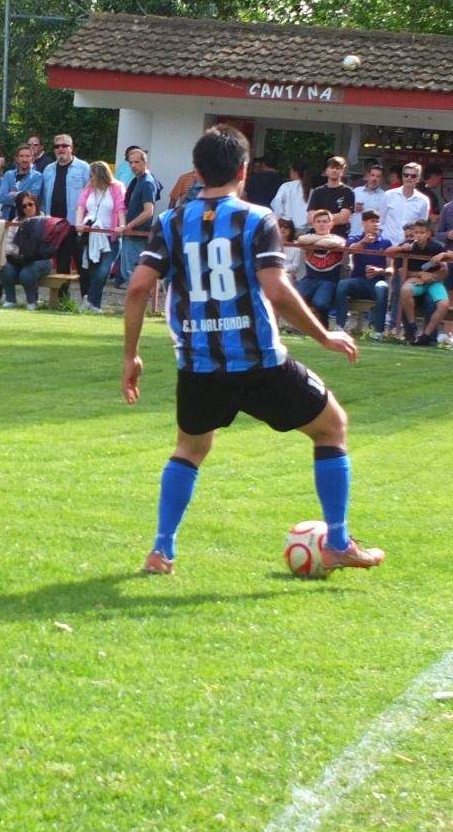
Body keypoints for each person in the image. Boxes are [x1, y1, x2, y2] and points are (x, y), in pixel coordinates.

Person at [121, 125, 384, 576]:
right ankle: (338, 542)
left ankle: (161, 551)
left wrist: (132, 355)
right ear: (243, 170)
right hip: (261, 363)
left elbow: (139, 287)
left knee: (189, 448)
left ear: (198, 172)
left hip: (199, 365)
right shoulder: (257, 219)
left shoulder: (170, 221)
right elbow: (277, 291)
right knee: (332, 427)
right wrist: (324, 337)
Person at [387, 221, 453, 345]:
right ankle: (412, 326)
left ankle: (426, 336)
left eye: (422, 233)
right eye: (416, 232)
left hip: (434, 281)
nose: (418, 235)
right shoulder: (408, 246)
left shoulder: (436, 246)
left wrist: (443, 255)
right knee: (405, 290)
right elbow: (388, 252)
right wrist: (419, 274)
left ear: (428, 234)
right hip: (416, 280)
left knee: (444, 304)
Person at [333, 210, 393, 338]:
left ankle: (378, 331)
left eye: (377, 221)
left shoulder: (385, 242)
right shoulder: (354, 239)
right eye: (372, 221)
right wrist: (363, 242)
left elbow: (391, 269)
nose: (376, 224)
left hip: (376, 282)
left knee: (382, 288)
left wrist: (380, 271)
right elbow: (348, 251)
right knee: (342, 284)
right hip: (358, 281)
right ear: (364, 223)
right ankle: (340, 326)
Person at [76, 160, 126, 311]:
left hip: (110, 238)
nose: (90, 179)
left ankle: (90, 302)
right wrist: (79, 224)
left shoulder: (116, 188)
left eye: (92, 176)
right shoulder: (89, 188)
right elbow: (81, 206)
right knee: (91, 271)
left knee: (103, 271)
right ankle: (94, 305)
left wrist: (121, 225)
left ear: (100, 176)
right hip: (91, 236)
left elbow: (120, 208)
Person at [40, 133, 90, 272]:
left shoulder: (84, 168)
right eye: (57, 146)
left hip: (76, 223)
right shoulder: (48, 169)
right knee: (62, 261)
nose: (60, 149)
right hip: (56, 224)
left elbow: (90, 195)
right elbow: (43, 197)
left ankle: (86, 294)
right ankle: (62, 294)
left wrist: (86, 220)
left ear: (71, 148)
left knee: (81, 261)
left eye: (64, 146)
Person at [0, 193, 57, 308]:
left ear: (36, 203)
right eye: (24, 206)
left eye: (30, 204)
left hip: (41, 260)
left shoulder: (47, 220)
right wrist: (18, 252)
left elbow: (50, 246)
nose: (28, 208)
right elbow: (8, 244)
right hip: (19, 258)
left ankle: (31, 302)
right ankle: (10, 300)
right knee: (5, 267)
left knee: (26, 273)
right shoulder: (16, 221)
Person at [294, 208, 348, 327]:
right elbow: (300, 240)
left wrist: (314, 241)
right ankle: (301, 326)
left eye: (325, 221)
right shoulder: (307, 237)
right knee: (295, 299)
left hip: (329, 281)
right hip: (310, 278)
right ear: (313, 224)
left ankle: (323, 324)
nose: (321, 224)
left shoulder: (338, 238)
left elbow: (334, 244)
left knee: (320, 303)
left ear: (331, 224)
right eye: (318, 222)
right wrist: (322, 240)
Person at [116, 146, 161, 287]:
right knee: (129, 276)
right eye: (131, 162)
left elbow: (148, 211)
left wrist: (128, 226)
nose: (133, 166)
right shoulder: (138, 180)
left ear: (145, 163)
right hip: (131, 234)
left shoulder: (147, 182)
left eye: (137, 162)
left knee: (134, 278)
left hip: (137, 235)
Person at [378, 162, 431, 244]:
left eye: (413, 176)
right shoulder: (388, 195)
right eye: (406, 175)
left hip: (408, 246)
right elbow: (381, 221)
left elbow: (421, 228)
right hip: (386, 243)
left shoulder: (423, 200)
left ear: (418, 178)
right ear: (402, 176)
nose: (409, 178)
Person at [306, 155, 356, 231]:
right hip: (317, 235)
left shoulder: (348, 192)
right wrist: (334, 218)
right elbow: (310, 218)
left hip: (339, 235)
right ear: (326, 171)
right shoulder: (317, 191)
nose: (334, 170)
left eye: (337, 168)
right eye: (332, 168)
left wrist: (319, 220)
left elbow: (343, 218)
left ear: (342, 172)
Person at [269, 163, 308, 231]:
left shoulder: (286, 186)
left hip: (289, 228)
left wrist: (280, 221)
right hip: (308, 228)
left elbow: (277, 203)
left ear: (294, 172)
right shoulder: (311, 188)